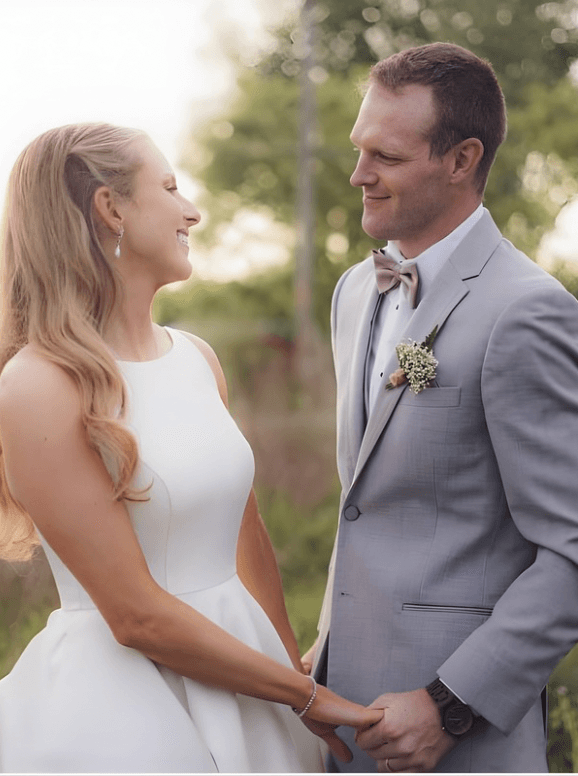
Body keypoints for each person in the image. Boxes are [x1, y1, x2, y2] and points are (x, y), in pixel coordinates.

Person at [0, 122, 381, 773]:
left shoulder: (197, 358)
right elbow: (136, 617)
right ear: (111, 208)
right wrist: (308, 695)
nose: (192, 211)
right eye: (171, 188)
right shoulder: (39, 384)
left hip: (251, 674)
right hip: (124, 703)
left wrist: (283, 670)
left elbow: (247, 533)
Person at [305, 42, 578, 773]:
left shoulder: (528, 312)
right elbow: (369, 509)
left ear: (461, 160)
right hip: (346, 721)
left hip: (459, 740)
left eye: (386, 157)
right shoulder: (353, 293)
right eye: (360, 148)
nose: (358, 174)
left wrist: (449, 705)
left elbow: (571, 550)